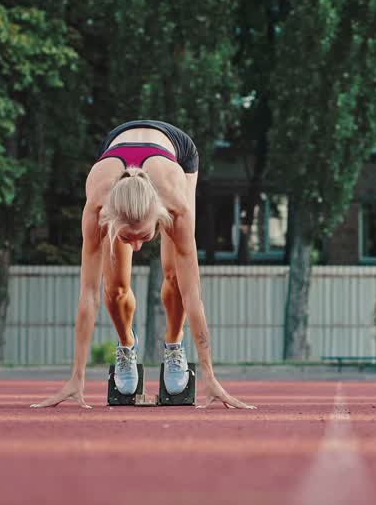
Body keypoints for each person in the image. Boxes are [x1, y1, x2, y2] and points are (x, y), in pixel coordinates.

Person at [33, 120, 253, 410]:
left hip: (178, 154)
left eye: (145, 236)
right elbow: (89, 294)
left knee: (175, 277)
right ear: (111, 220)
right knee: (115, 289)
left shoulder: (176, 205)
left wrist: (210, 376)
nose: (137, 247)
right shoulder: (98, 205)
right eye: (127, 237)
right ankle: (126, 346)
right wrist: (76, 377)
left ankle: (174, 344)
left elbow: (193, 295)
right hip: (115, 154)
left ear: (161, 217)